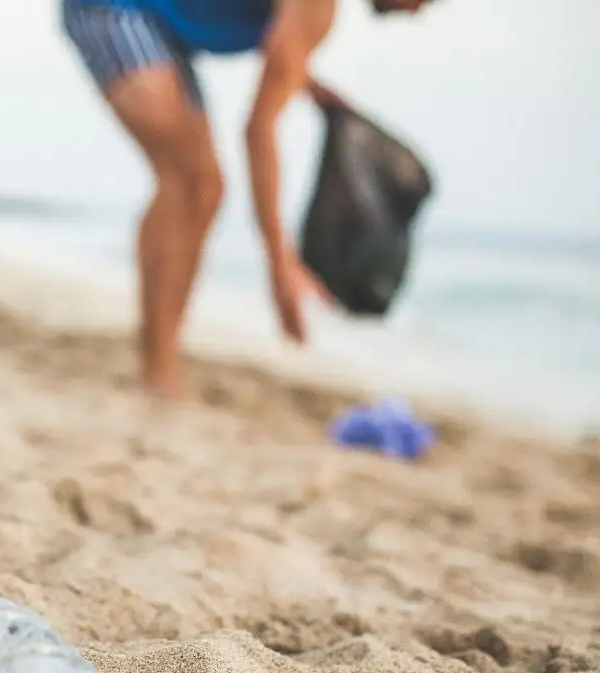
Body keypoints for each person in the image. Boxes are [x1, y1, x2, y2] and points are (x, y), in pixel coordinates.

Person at [61, 0, 434, 397]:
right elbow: (258, 131)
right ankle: (157, 371)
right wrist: (281, 264)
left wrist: (300, 77)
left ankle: (159, 365)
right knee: (188, 182)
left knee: (201, 189)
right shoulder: (318, 8)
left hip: (159, 27)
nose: (422, 11)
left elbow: (269, 43)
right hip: (111, 8)